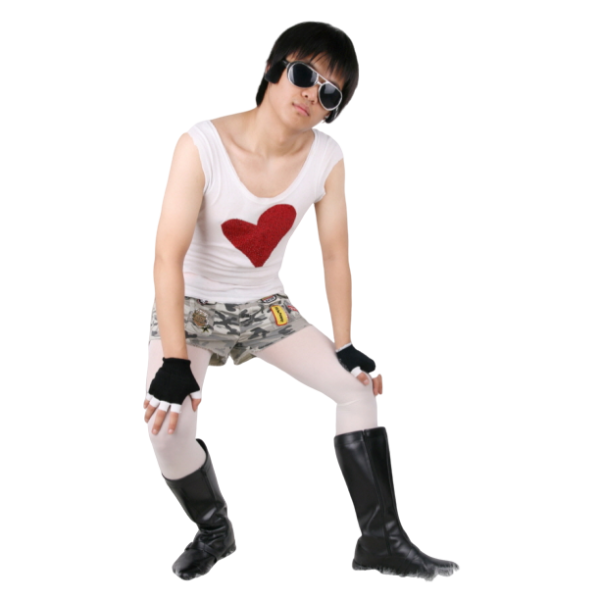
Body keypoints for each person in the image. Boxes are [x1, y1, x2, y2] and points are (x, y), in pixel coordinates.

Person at [143, 20, 460, 583]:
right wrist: (173, 360)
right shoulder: (201, 144)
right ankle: (215, 530)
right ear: (272, 69)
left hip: (265, 305)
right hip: (189, 307)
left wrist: (345, 343)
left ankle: (380, 543)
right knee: (166, 433)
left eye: (330, 92)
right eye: (304, 74)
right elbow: (166, 256)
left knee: (357, 389)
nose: (312, 93)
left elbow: (335, 254)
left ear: (334, 110)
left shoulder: (327, 157)